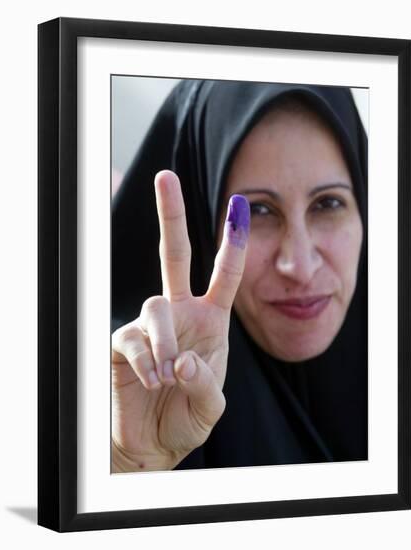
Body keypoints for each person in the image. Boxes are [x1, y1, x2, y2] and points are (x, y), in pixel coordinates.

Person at [111, 80, 368, 472]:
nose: (299, 266)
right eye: (259, 211)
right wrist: (131, 463)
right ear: (200, 220)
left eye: (328, 203)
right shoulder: (125, 390)